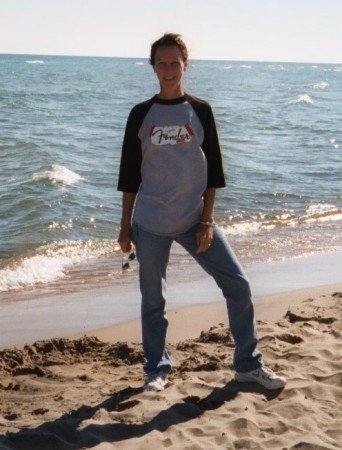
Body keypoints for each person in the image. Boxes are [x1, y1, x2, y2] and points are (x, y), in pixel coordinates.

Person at [117, 33, 286, 392]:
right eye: (161, 63)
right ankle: (156, 370)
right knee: (153, 300)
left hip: (195, 221)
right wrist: (125, 225)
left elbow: (215, 173)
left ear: (185, 64)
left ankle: (247, 365)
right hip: (149, 223)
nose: (168, 69)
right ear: (152, 67)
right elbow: (129, 174)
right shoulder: (140, 115)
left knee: (238, 285)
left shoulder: (201, 111)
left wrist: (207, 220)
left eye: (174, 63)